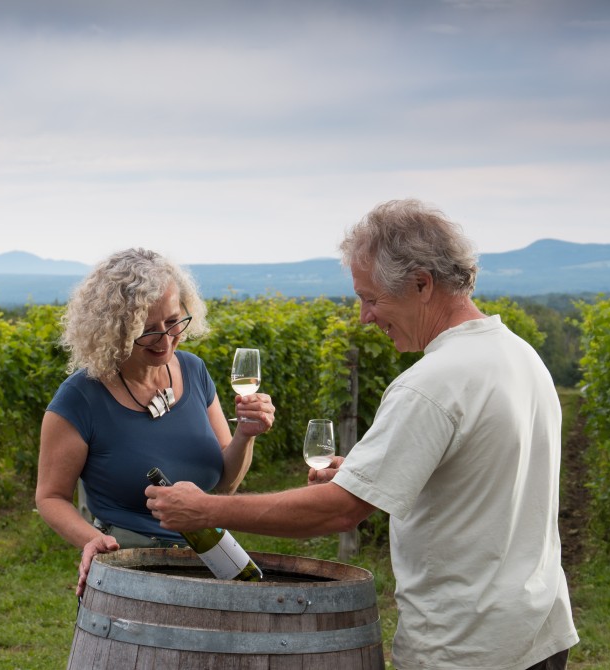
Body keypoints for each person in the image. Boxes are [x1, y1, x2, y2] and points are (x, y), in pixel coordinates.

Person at [146, 200, 578, 669]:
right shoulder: (519, 355)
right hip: (538, 631)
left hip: (468, 647)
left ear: (421, 284)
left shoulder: (431, 384)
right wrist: (361, 472)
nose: (364, 317)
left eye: (371, 298)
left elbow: (340, 510)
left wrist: (203, 509)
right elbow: (480, 474)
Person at [36, 247, 275, 597]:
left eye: (174, 321)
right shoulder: (79, 398)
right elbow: (51, 497)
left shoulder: (194, 371)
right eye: (147, 329)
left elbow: (224, 485)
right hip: (129, 568)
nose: (166, 339)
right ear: (115, 329)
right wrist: (94, 541)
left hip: (213, 562)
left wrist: (245, 435)